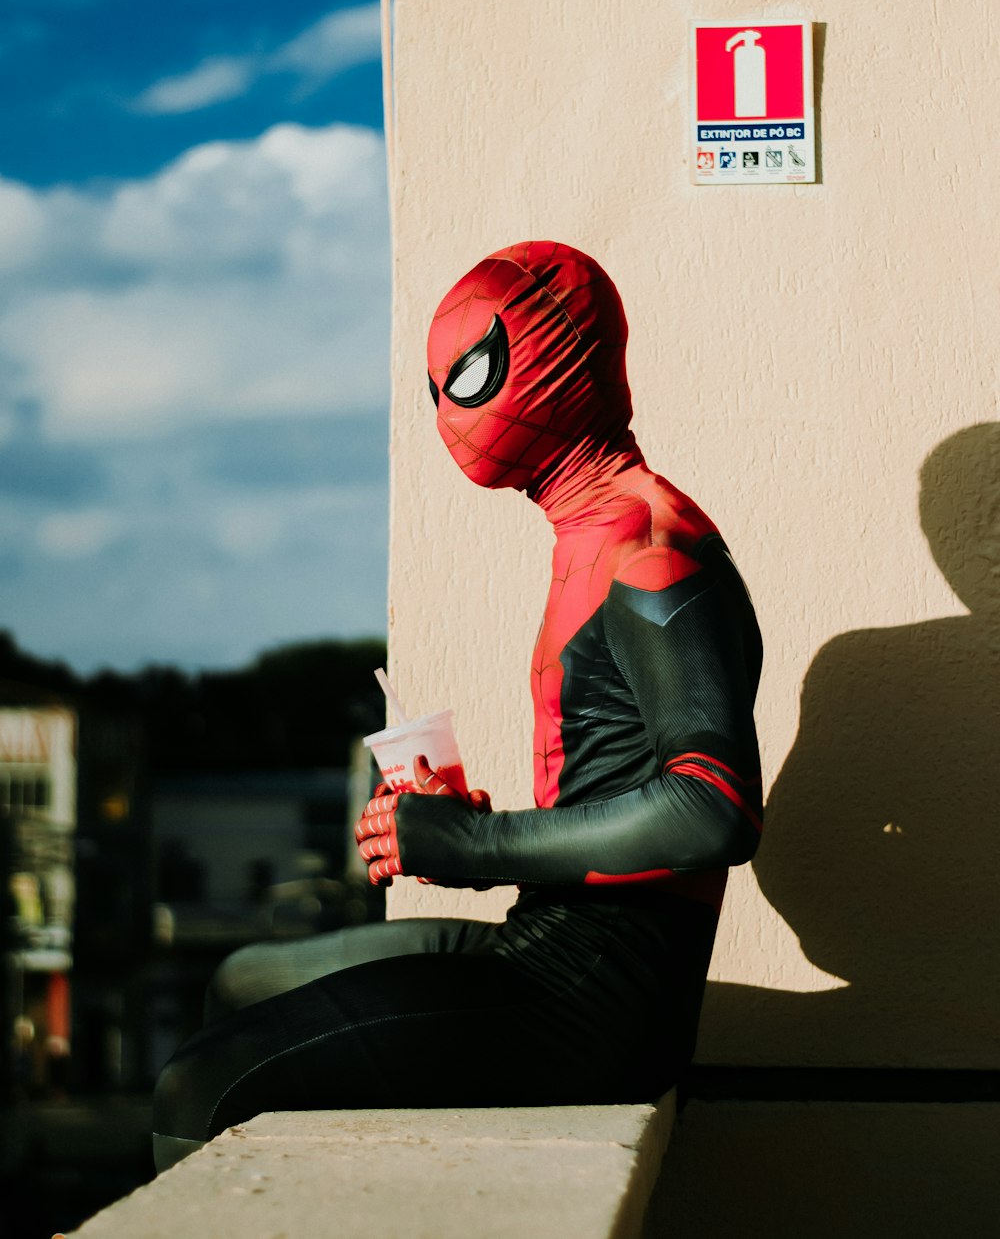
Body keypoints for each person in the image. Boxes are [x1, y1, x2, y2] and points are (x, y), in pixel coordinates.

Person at [152, 242, 762, 1173]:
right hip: (548, 938)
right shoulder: (590, 533)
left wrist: (476, 847)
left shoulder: (651, 551)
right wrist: (457, 828)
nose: (449, 413)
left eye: (470, 374)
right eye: (435, 386)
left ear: (563, 355)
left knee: (198, 1084)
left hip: (597, 999)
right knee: (244, 980)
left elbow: (715, 807)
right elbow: (620, 778)